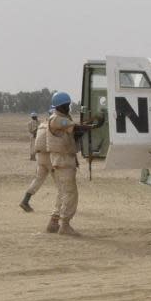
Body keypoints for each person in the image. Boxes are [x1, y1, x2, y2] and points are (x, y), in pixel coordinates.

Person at [46, 92, 95, 236]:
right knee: (70, 193)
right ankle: (65, 225)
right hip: (63, 161)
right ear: (60, 106)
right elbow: (76, 129)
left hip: (64, 160)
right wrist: (93, 126)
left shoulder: (63, 118)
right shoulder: (57, 119)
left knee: (63, 192)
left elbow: (74, 133)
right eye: (66, 105)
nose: (68, 107)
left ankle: (54, 222)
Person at [20, 108, 58, 215]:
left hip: (40, 158)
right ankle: (59, 208)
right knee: (59, 182)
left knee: (38, 180)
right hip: (49, 158)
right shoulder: (53, 126)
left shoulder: (42, 125)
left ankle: (25, 201)